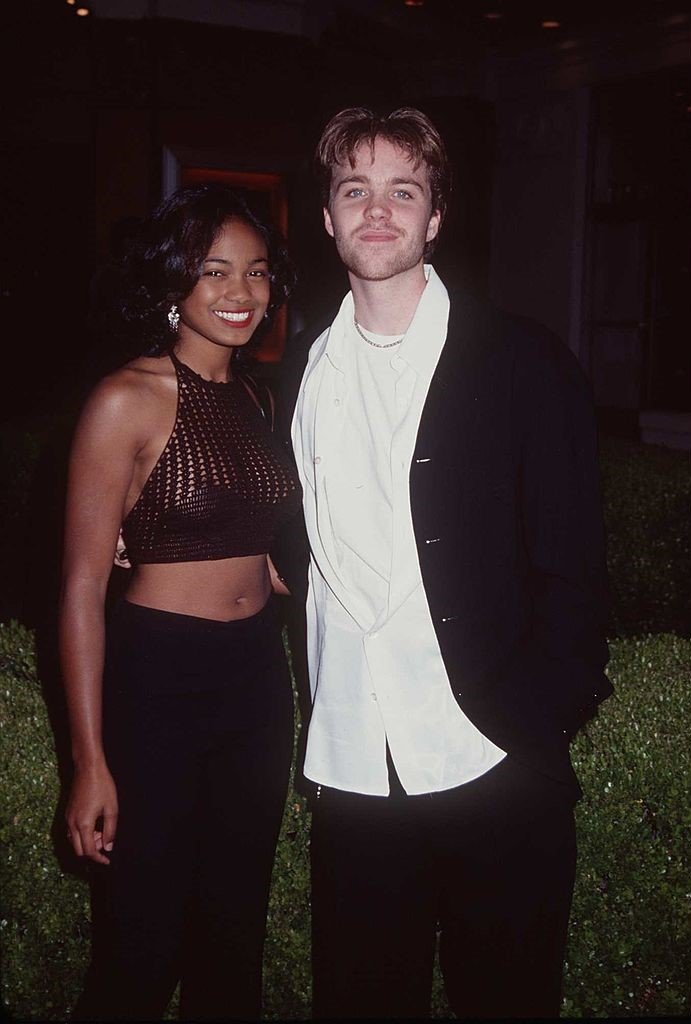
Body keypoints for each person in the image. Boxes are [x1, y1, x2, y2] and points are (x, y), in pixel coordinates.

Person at [277, 107, 612, 1019]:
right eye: (355, 190)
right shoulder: (300, 369)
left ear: (434, 218)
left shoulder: (520, 360)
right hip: (353, 767)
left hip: (489, 754)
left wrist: (538, 719)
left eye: (402, 192)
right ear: (326, 217)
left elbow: (574, 559)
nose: (376, 211)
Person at [60, 183, 302, 1021]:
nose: (242, 294)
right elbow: (82, 588)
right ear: (173, 283)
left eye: (259, 273)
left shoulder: (258, 398)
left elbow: (255, 525)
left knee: (233, 937)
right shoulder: (125, 398)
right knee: (140, 941)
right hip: (158, 680)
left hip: (254, 683)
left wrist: (272, 562)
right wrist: (90, 761)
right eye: (215, 271)